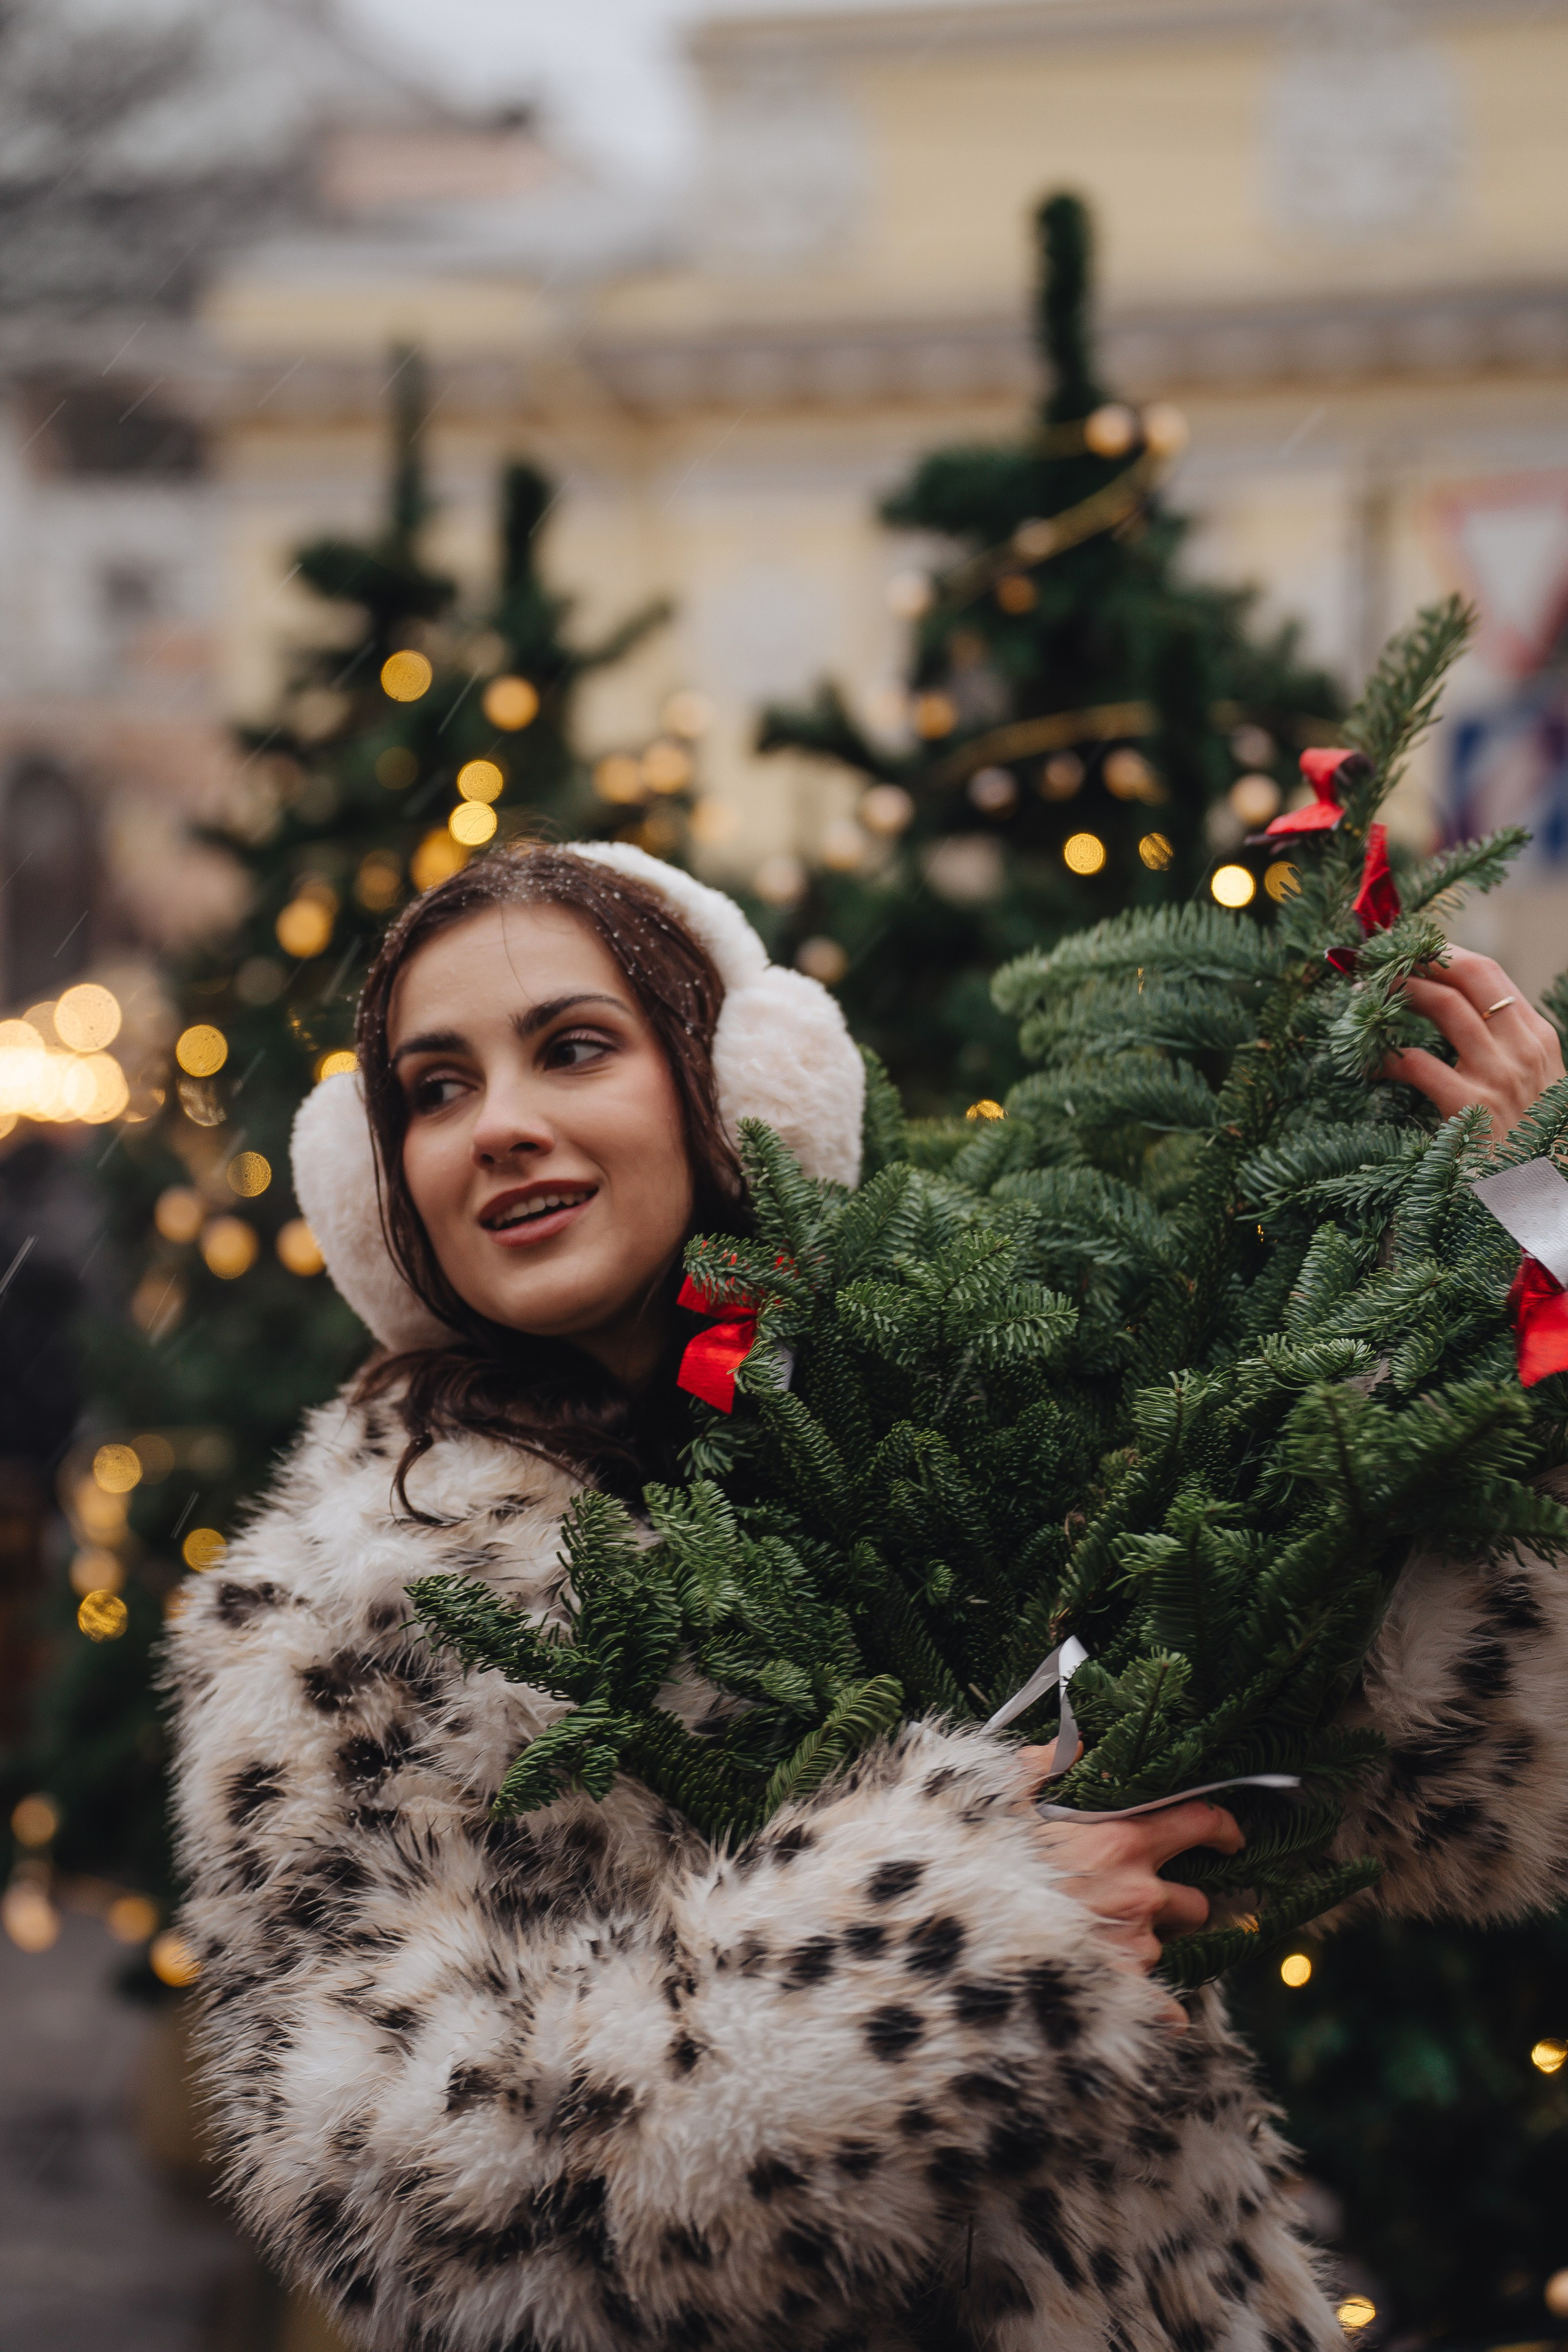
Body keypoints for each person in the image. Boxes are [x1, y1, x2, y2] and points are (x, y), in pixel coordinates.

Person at [167, 841, 1568, 2352]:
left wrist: (1508, 1251)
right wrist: (953, 1930)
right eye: (434, 1091)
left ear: (732, 1087)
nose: (499, 1125)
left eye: (573, 1049)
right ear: (383, 1194)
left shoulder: (968, 1408)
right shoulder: (344, 1613)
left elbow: (1457, 1782)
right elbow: (398, 2201)